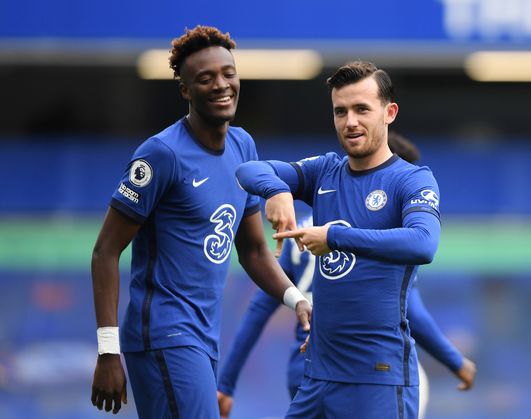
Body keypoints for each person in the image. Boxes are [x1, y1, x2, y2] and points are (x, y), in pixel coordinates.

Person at [89, 25, 311, 418]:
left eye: (229, 73)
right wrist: (109, 351)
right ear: (186, 91)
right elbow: (105, 251)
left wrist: (296, 300)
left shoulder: (244, 147)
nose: (222, 85)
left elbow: (255, 250)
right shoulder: (161, 155)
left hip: (204, 337)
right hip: (164, 334)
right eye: (205, 78)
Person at [235, 61, 443, 419]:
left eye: (362, 109)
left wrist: (335, 236)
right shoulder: (324, 170)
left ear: (389, 112)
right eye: (340, 111)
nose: (350, 122)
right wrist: (277, 192)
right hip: (316, 377)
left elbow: (423, 243)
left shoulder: (412, 180)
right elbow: (247, 169)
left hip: (378, 379)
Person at [218, 133, 476, 419]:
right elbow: (413, 312)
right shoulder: (380, 241)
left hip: (304, 366)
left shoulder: (303, 234)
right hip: (355, 369)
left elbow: (259, 308)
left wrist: (226, 382)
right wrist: (456, 362)